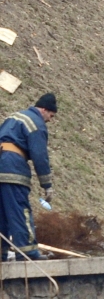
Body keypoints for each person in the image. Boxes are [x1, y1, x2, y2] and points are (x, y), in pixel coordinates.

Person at [0, 94, 56, 261]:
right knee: (19, 211)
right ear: (44, 110)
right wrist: (47, 184)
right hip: (13, 170)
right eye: (51, 116)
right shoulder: (35, 123)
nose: (50, 120)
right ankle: (28, 253)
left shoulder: (13, 117)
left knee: (1, 214)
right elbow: (40, 155)